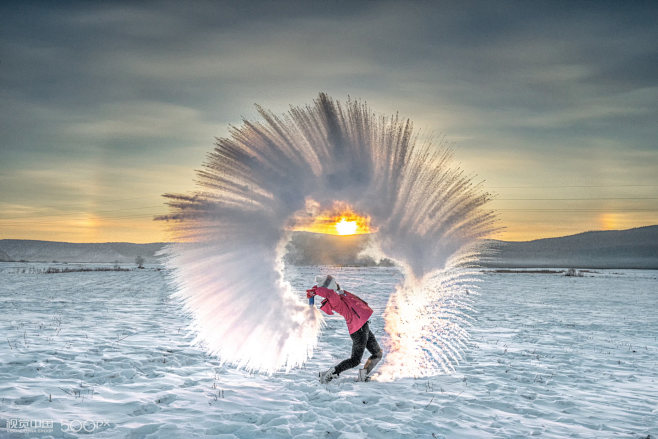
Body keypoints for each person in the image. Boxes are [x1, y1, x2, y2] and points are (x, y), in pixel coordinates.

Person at [306, 274, 383, 383]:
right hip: (358, 330)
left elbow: (331, 291)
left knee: (377, 353)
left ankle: (363, 375)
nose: (338, 284)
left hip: (363, 327)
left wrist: (316, 289)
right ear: (332, 287)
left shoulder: (340, 295)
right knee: (355, 360)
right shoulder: (336, 300)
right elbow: (329, 293)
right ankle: (333, 373)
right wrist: (317, 291)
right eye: (335, 283)